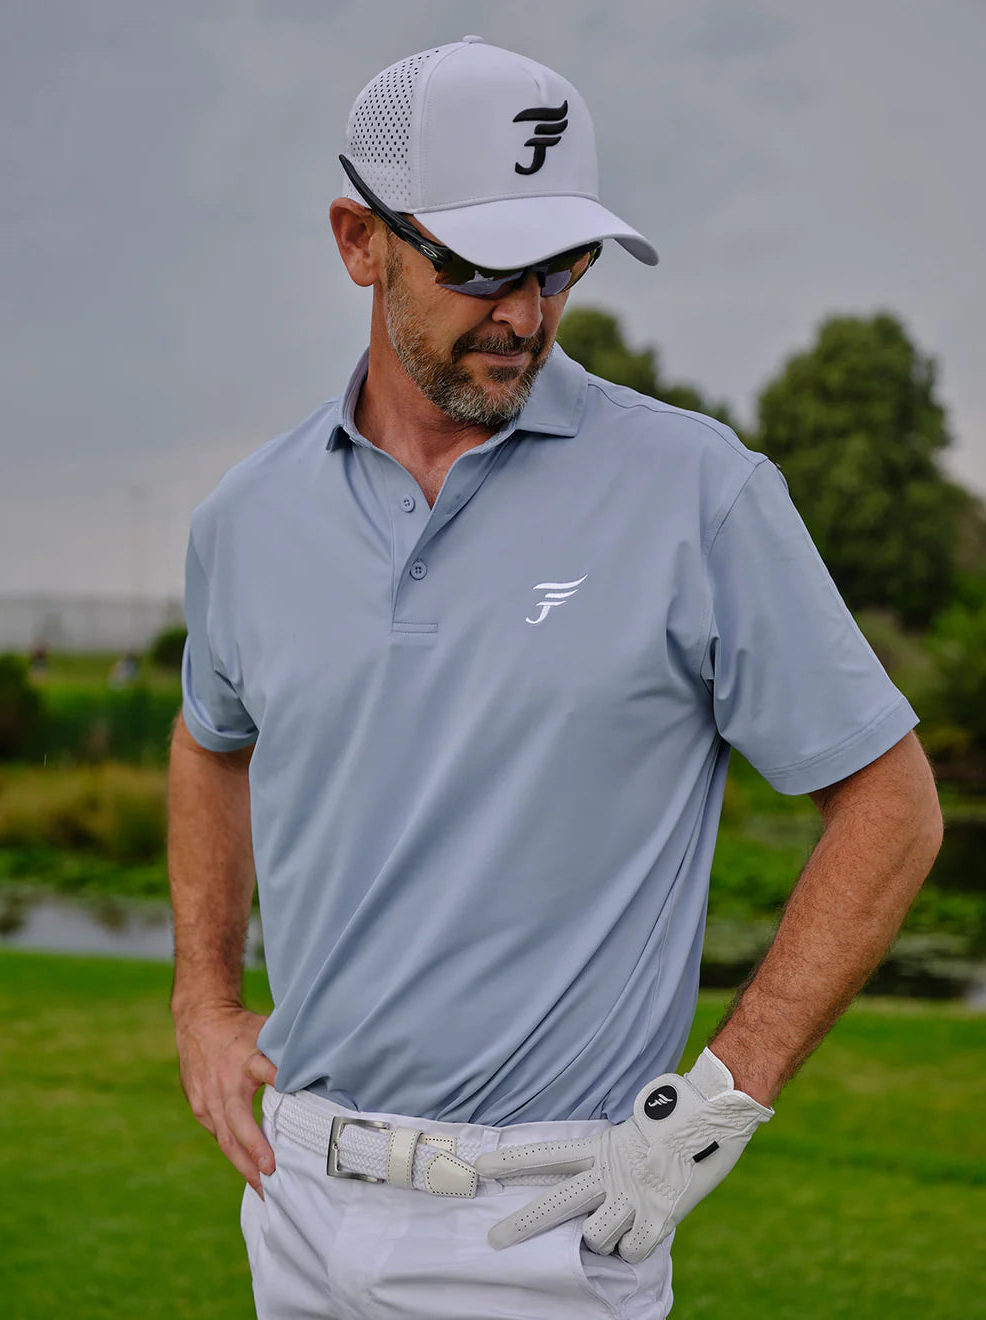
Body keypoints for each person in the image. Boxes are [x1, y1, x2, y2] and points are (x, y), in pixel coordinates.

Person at [168, 36, 942, 1320]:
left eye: (557, 266)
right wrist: (204, 998)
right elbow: (211, 740)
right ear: (359, 241)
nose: (523, 313)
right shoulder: (246, 520)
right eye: (476, 268)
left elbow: (894, 805)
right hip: (296, 1210)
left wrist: (714, 1107)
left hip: (547, 1229)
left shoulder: (700, 493)